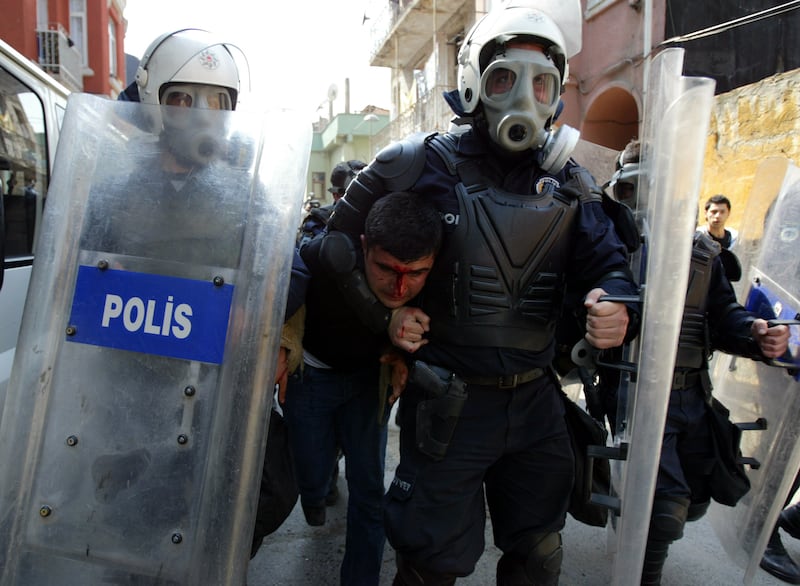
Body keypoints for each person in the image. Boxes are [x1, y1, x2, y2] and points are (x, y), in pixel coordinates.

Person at [321, 2, 640, 583]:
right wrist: (384, 320)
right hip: (451, 401)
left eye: (543, 83)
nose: (525, 97)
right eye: (504, 78)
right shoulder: (421, 163)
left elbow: (610, 265)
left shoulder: (572, 183)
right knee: (429, 561)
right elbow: (336, 249)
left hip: (537, 402)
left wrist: (616, 304)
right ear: (473, 84)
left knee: (539, 556)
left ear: (558, 93)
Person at [599, 145, 791, 585]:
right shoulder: (605, 248)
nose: (644, 203)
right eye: (632, 190)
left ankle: (631, 514)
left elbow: (725, 315)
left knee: (696, 496)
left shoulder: (702, 254)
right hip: (634, 391)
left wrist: (757, 333)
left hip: (690, 391)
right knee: (666, 507)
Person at [284, 191, 442, 586]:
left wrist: (407, 358)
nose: (401, 287)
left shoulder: (437, 280)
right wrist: (283, 342)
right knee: (310, 469)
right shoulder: (322, 256)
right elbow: (283, 295)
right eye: (387, 269)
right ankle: (317, 492)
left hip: (369, 384)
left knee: (369, 490)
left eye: (416, 273)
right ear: (363, 246)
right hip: (311, 378)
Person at [298, 160, 366, 249]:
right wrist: (334, 227)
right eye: (356, 193)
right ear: (337, 195)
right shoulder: (318, 223)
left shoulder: (378, 219)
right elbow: (306, 254)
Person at [696, 194, 741, 281]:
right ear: (706, 213)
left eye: (722, 212)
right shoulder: (698, 239)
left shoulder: (735, 239)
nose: (717, 216)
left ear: (728, 213)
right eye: (714, 212)